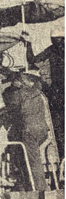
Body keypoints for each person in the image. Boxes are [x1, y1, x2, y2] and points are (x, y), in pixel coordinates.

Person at [5, 70, 51, 191]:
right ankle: (32, 185)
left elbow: (11, 107)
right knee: (32, 158)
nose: (19, 81)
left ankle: (40, 189)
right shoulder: (38, 94)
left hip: (29, 130)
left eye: (22, 79)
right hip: (42, 130)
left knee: (33, 160)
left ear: (31, 81)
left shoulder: (22, 93)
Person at [34, 27, 65, 158]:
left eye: (59, 39)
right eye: (54, 40)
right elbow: (34, 60)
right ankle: (63, 155)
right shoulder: (50, 50)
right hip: (57, 91)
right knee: (58, 126)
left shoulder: (52, 50)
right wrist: (28, 43)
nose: (57, 42)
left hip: (58, 91)